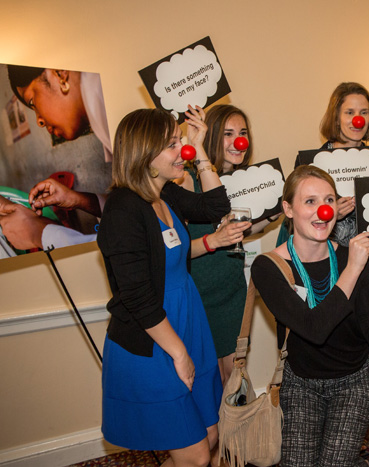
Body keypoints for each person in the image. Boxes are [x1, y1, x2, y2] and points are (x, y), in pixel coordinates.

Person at [97, 108, 232, 466]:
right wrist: (179, 353)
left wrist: (201, 150)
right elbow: (138, 298)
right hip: (155, 339)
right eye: (173, 144)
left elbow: (217, 206)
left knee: (210, 434)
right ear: (144, 153)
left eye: (182, 140)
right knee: (195, 455)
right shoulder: (123, 209)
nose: (183, 149)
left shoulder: (165, 195)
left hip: (190, 323)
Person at [251, 165, 369, 467]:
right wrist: (352, 269)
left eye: (329, 200)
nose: (322, 211)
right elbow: (314, 329)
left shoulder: (351, 257)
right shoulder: (268, 267)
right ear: (288, 209)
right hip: (301, 381)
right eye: (310, 201)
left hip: (355, 380)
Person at [180, 104, 276, 383]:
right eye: (228, 133)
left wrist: (268, 218)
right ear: (209, 136)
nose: (238, 142)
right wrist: (213, 240)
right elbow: (179, 249)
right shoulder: (187, 179)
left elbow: (236, 232)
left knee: (233, 372)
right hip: (201, 293)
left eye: (243, 133)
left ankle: (234, 427)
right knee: (207, 376)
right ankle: (216, 428)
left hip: (233, 289)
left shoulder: (242, 181)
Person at [277, 82, 369, 250]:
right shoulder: (309, 164)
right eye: (349, 112)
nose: (358, 120)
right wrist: (333, 213)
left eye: (363, 112)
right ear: (336, 118)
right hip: (318, 255)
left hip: (362, 256)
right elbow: (296, 216)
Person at [8, 65, 112, 161]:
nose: (39, 122)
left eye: (31, 101)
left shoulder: (106, 100)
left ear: (60, 74)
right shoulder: (99, 112)